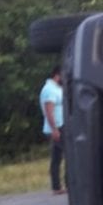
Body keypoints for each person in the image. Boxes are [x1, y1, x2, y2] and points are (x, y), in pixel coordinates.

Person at [39, 66, 65, 195]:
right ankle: (58, 185)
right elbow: (49, 111)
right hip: (57, 126)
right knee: (63, 156)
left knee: (57, 156)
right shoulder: (49, 90)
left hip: (61, 125)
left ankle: (57, 186)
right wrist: (54, 129)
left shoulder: (56, 88)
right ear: (57, 75)